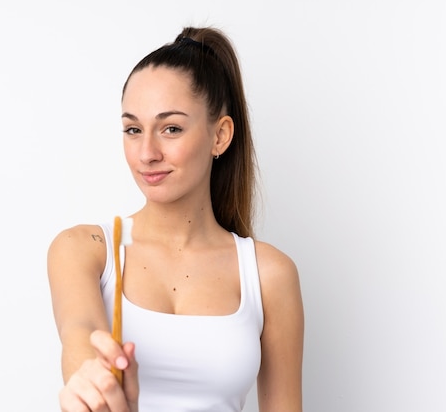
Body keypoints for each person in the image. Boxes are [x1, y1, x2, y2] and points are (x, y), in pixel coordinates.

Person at [47, 26, 304, 412]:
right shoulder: (86, 251)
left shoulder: (269, 274)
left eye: (171, 128)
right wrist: (93, 384)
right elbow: (79, 335)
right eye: (133, 129)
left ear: (220, 136)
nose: (147, 152)